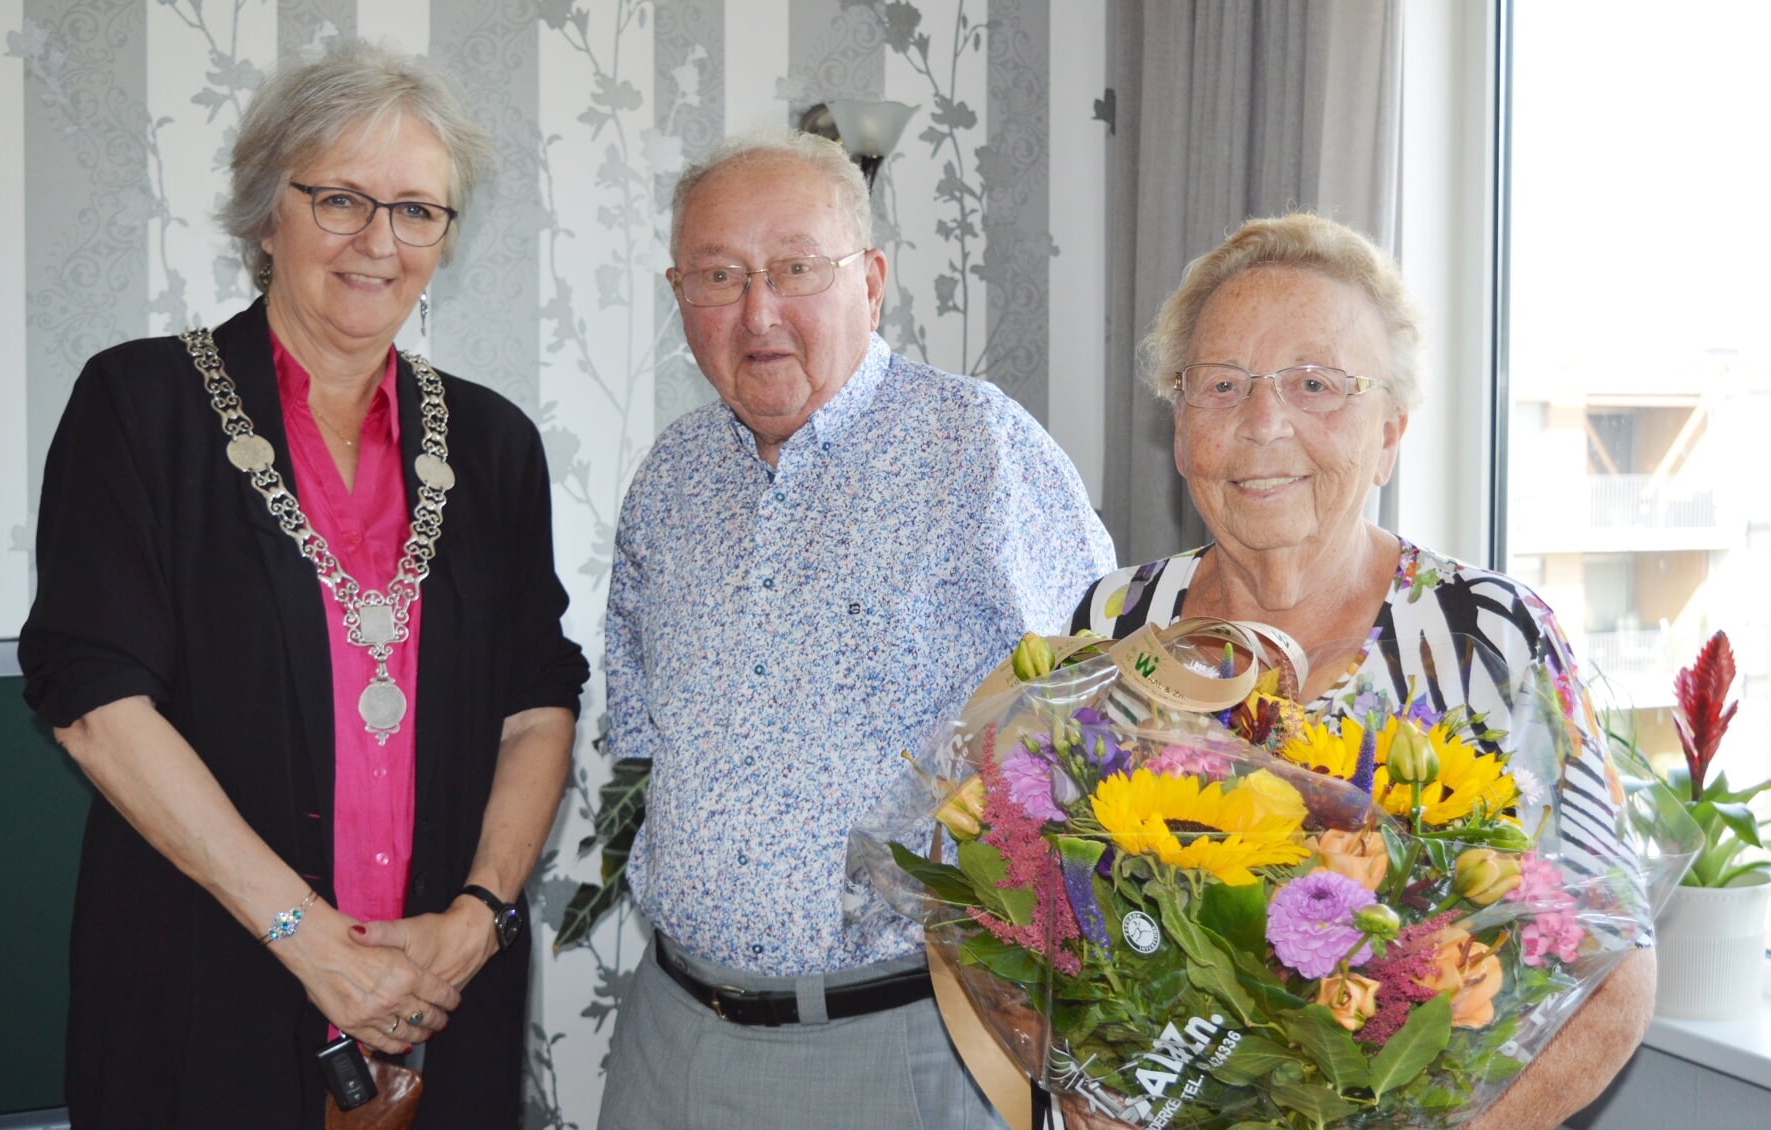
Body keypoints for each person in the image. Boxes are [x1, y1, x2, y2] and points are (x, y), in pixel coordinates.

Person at [17, 40, 588, 1127]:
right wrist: (309, 940)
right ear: (266, 209)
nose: (380, 241)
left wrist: (476, 918)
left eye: (418, 210)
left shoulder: (495, 443)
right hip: (202, 1001)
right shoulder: (140, 407)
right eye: (340, 199)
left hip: (442, 1005)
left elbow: (538, 701)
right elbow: (95, 703)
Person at [1043, 213, 1654, 1130]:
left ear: (1391, 432)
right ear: (1180, 429)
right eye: (1221, 385)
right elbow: (1032, 919)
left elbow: (1613, 971)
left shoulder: (1489, 635)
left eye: (1316, 384)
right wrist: (1081, 1090)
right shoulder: (1109, 627)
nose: (1263, 423)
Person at [596, 130, 1115, 1130]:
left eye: (796, 268)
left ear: (870, 281)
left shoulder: (983, 451)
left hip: (904, 1047)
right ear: (679, 293)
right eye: (719, 274)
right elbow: (646, 739)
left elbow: (1100, 745)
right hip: (672, 1038)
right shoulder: (670, 479)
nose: (758, 312)